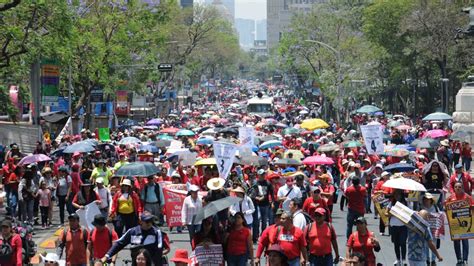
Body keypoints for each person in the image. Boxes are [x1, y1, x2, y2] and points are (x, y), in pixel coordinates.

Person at [102, 213, 169, 266]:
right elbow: (118, 244)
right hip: (136, 263)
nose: (149, 223)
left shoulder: (157, 233)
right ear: (141, 222)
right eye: (147, 221)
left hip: (152, 263)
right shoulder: (132, 232)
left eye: (151, 221)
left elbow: (159, 250)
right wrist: (106, 257)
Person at [446, 181, 473, 265]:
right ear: (454, 188)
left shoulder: (467, 197)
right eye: (456, 187)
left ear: (462, 188)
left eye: (459, 187)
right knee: (456, 242)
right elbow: (447, 209)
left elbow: (472, 207)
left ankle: (465, 259)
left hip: (466, 223)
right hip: (455, 223)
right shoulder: (450, 198)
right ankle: (459, 259)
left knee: (465, 241)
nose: (457, 188)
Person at [386, 189, 408, 266]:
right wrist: (392, 213)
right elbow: (386, 213)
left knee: (403, 243)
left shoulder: (406, 203)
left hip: (403, 226)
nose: (397, 196)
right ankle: (398, 259)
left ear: (401, 195)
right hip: (394, 226)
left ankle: (404, 260)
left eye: (399, 194)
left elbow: (410, 213)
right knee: (396, 244)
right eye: (395, 194)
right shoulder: (391, 203)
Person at [254, 168, 275, 239]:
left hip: (265, 204)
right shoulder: (256, 183)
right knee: (257, 220)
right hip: (257, 204)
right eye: (261, 175)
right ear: (258, 175)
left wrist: (272, 202)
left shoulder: (268, 183)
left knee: (264, 221)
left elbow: (272, 193)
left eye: (263, 174)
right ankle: (256, 235)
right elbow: (253, 193)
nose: (262, 176)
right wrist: (256, 198)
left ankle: (263, 234)